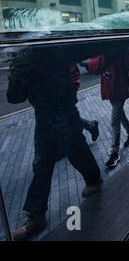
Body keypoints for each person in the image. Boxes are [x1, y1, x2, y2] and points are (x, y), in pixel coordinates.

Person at [7, 48, 102, 240]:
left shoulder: (50, 52)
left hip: (63, 113)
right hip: (44, 116)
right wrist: (18, 73)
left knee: (76, 152)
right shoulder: (28, 58)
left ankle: (93, 178)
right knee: (41, 163)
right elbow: (14, 96)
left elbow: (62, 85)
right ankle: (36, 214)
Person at [87, 49, 129, 169]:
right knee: (120, 114)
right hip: (109, 87)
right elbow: (95, 68)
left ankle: (114, 152)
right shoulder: (103, 49)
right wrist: (104, 55)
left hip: (120, 87)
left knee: (115, 120)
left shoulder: (122, 47)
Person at [69, 64, 99, 142]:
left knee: (69, 115)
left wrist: (73, 87)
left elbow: (74, 72)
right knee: (69, 116)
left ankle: (89, 127)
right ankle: (90, 126)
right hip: (59, 92)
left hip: (66, 90)